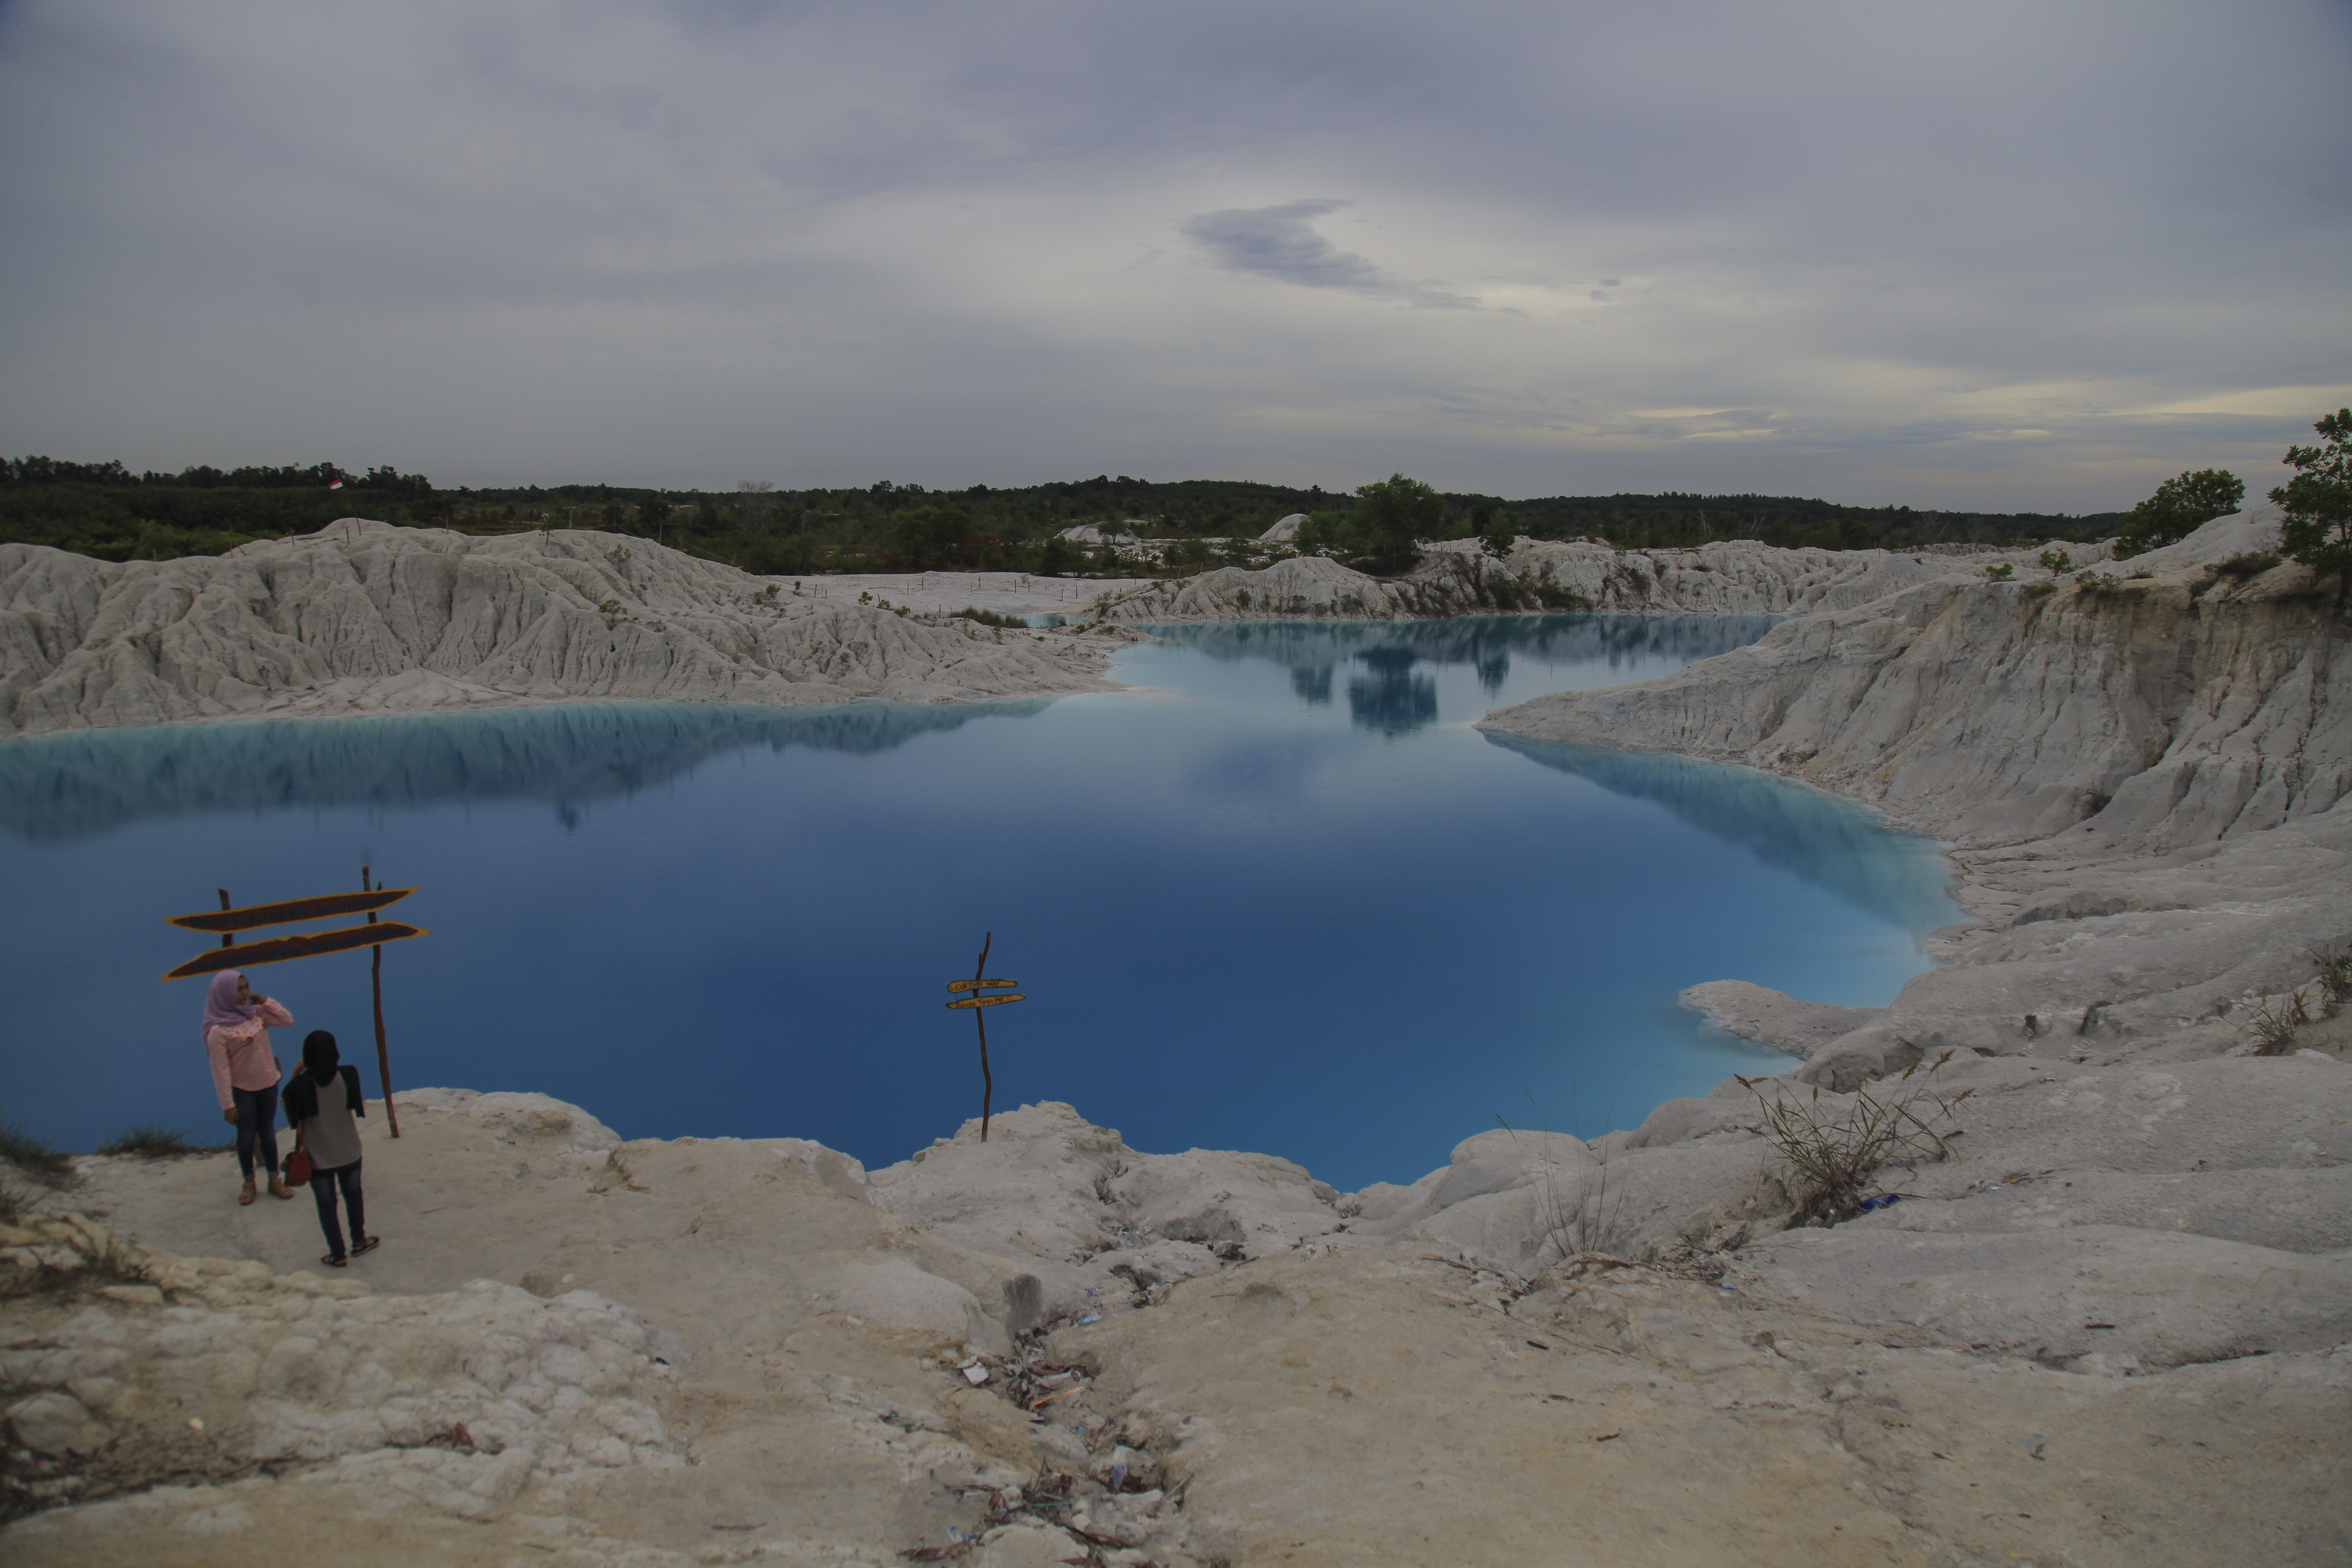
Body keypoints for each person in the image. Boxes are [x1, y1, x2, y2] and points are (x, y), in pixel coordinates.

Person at [282, 1030, 377, 1267]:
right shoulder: (348, 1075)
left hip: (318, 1159)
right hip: (350, 1152)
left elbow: (289, 1111)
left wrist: (297, 1073)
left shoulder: (299, 1086)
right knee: (353, 1195)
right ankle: (359, 1240)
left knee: (326, 1205)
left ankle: (337, 1254)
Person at [203, 969, 294, 1205]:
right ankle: (249, 1183)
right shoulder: (218, 1031)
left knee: (268, 1133)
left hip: (268, 1084)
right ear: (224, 994)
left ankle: (274, 1179)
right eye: (238, 990)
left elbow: (287, 1020)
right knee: (245, 1136)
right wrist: (227, 1105)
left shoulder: (255, 1014)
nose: (244, 993)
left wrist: (265, 1001)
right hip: (243, 1091)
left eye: (246, 987)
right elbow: (220, 1070)